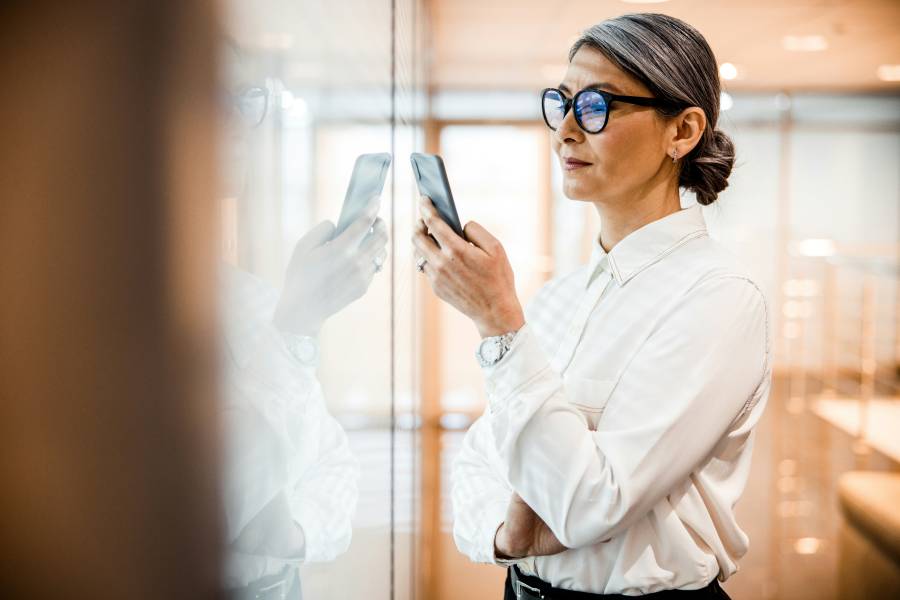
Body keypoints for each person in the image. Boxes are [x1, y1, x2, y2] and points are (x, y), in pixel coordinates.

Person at [412, 13, 770, 599]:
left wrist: (498, 321)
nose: (566, 131)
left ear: (681, 131)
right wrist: (506, 534)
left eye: (597, 106)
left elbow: (590, 502)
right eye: (562, 102)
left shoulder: (721, 295)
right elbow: (478, 464)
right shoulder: (562, 296)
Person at [218, 47, 389, 599]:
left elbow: (335, 470)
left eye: (248, 100)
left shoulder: (249, 299)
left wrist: (288, 533)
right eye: (217, 98)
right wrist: (296, 324)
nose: (240, 122)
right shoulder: (83, 315)